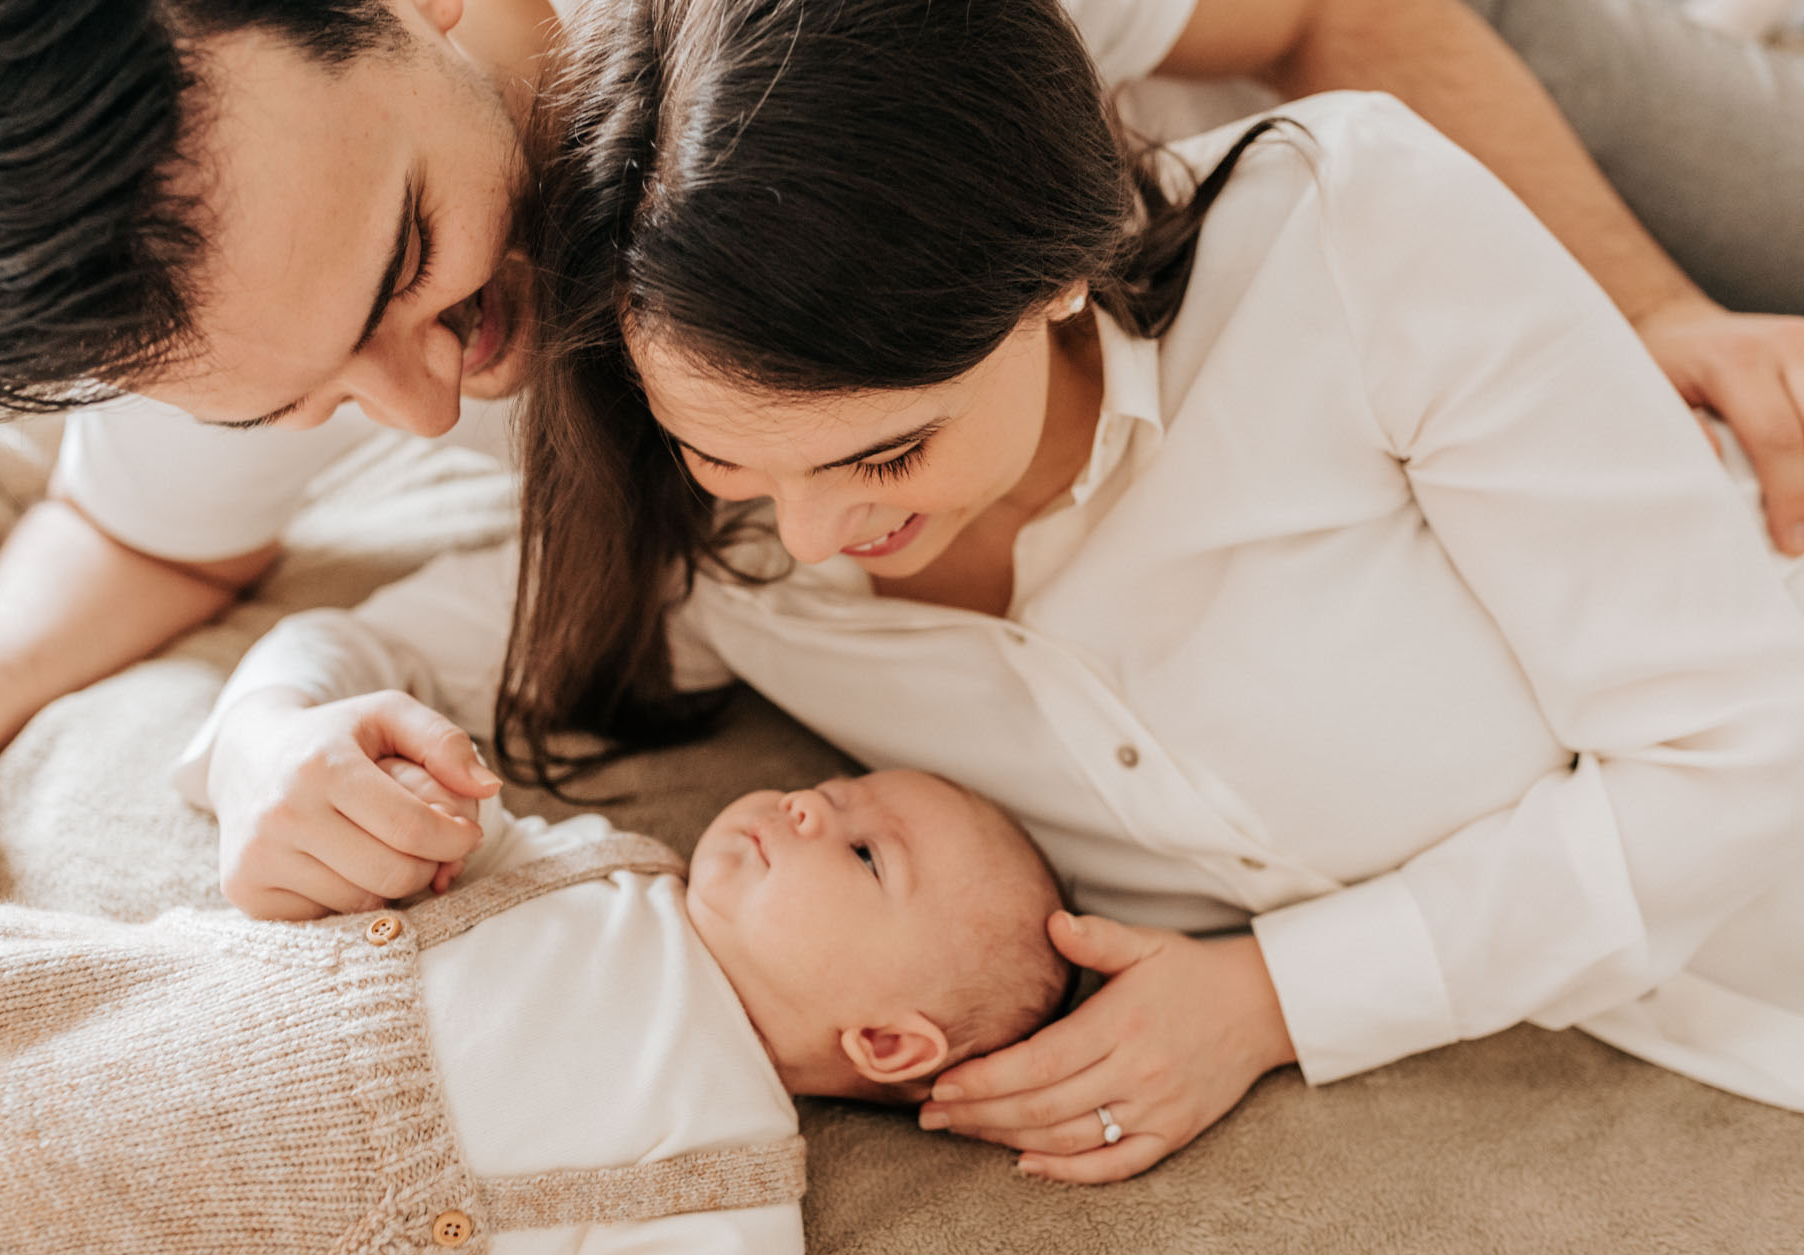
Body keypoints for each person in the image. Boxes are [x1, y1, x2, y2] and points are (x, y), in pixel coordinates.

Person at [0, 0, 1804, 924]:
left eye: (407, 268)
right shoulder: (219, 265)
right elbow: (145, 535)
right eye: (294, 406)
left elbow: (1332, 20)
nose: (427, 410)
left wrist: (1640, 314)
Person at [468, 0, 1802, 1182]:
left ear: (1053, 271)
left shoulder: (1347, 241)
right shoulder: (701, 542)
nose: (810, 538)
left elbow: (1742, 751)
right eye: (723, 455)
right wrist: (330, 739)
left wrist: (1268, 1001)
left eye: (888, 453)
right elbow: (431, 639)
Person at [0, 757, 1073, 1255]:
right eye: (830, 792)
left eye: (861, 850)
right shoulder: (606, 865)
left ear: (886, 1042)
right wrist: (387, 784)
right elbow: (433, 825)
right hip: (120, 1009)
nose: (804, 808)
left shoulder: (726, 1186)